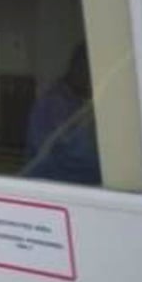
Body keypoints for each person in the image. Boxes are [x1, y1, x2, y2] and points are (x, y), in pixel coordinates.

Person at [23, 43, 102, 186]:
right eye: (90, 70)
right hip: (50, 188)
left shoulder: (82, 103)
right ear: (78, 68)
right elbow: (78, 158)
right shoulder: (51, 104)